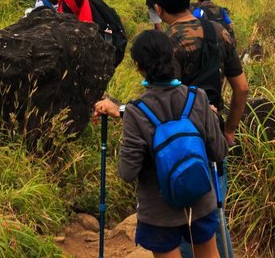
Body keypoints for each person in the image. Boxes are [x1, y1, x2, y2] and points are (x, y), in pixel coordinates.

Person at [94, 31, 226, 258]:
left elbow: (127, 172)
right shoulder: (198, 98)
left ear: (139, 68)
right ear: (171, 56)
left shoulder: (136, 112)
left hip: (159, 212)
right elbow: (219, 151)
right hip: (200, 203)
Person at [145, 0, 248, 147]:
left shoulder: (165, 44)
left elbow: (161, 104)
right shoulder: (219, 31)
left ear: (158, 9)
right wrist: (229, 131)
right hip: (215, 130)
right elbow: (242, 88)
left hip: (180, 139)